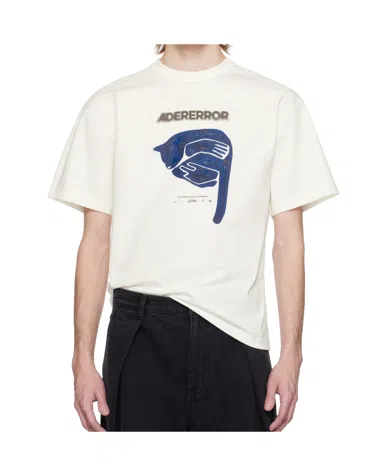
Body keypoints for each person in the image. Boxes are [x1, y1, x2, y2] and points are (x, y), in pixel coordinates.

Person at [49, 44, 338, 432]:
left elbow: (288, 242)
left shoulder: (277, 103)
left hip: (237, 332)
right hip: (140, 330)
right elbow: (95, 242)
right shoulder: (111, 104)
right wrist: (81, 359)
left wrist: (292, 353)